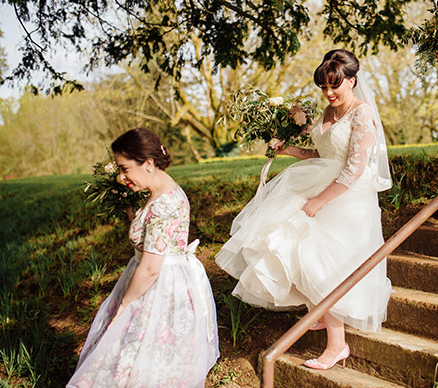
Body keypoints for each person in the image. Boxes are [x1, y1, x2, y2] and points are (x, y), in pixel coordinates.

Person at [216, 49, 392, 370]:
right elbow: (320, 154)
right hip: (318, 184)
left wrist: (320, 200)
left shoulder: (362, 113)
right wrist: (287, 150)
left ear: (352, 81)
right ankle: (322, 313)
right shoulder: (327, 111)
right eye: (323, 87)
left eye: (334, 86)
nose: (328, 93)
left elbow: (353, 167)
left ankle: (337, 346)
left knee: (323, 266)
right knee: (288, 248)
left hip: (348, 198)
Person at [67, 128, 219, 387]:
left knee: (143, 351)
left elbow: (150, 268)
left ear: (148, 163)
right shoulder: (159, 194)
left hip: (159, 288)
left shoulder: (165, 203)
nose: (120, 176)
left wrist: (125, 306)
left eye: (125, 168)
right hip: (157, 279)